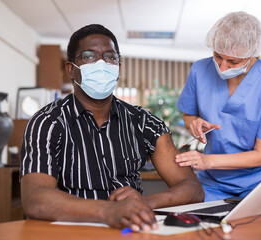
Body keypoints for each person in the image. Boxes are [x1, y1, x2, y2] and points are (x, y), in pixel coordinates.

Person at [20, 24, 204, 232]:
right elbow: (35, 199)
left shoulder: (144, 122)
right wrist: (108, 211)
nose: (102, 64)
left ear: (117, 69)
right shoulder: (47, 122)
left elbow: (192, 189)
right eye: (89, 56)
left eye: (110, 57)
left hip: (130, 229)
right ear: (71, 70)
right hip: (70, 231)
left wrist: (144, 204)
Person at [175, 11, 261, 202]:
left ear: (252, 54)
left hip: (260, 183)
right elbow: (188, 115)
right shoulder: (200, 70)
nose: (222, 67)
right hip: (213, 182)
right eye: (218, 56)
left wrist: (207, 161)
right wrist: (193, 124)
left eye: (233, 61)